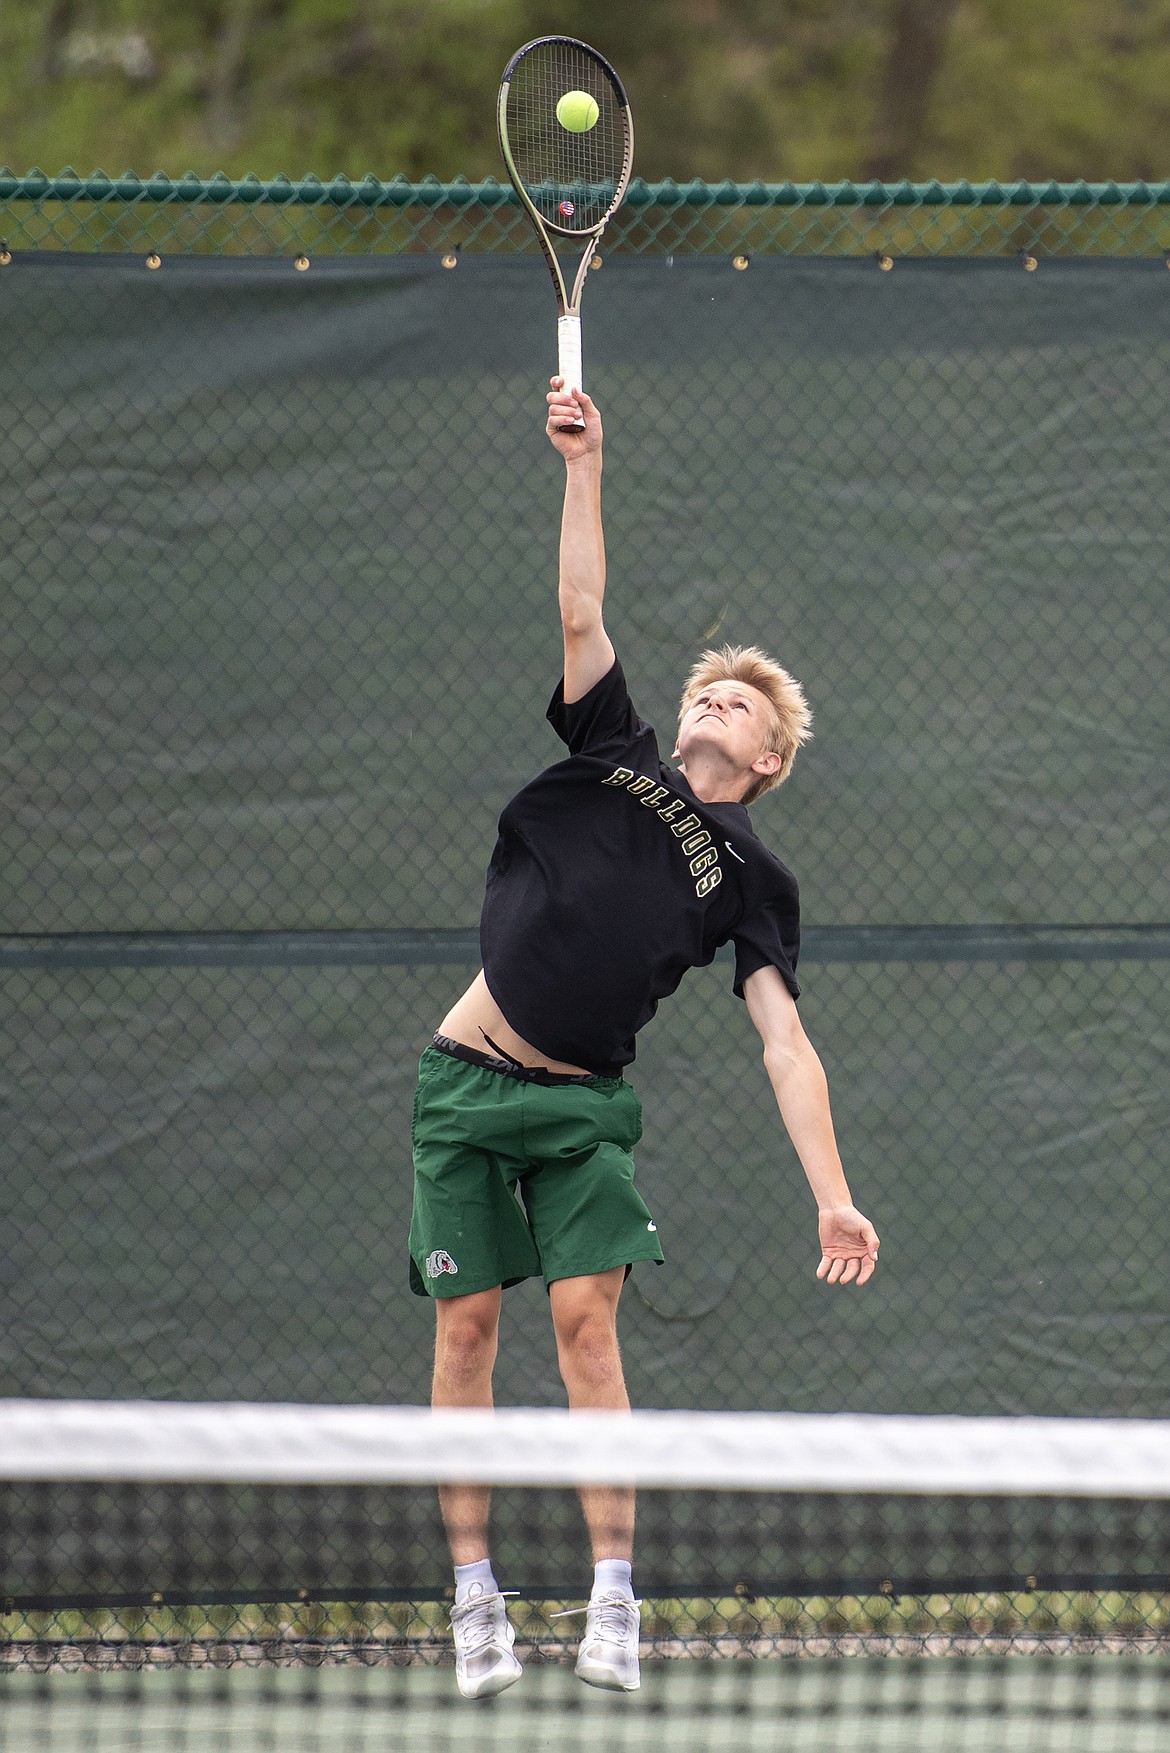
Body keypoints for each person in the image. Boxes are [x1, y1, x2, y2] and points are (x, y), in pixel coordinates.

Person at [408, 378, 880, 1700]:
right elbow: (578, 607)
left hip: (581, 1109)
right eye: (708, 691)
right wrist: (584, 463)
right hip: (462, 1082)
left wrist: (833, 1197)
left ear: (771, 756)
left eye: (741, 704)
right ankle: (473, 1598)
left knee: (584, 1324)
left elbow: (785, 1045)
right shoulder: (618, 747)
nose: (714, 703)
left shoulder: (752, 881)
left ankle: (612, 1596)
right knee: (463, 1333)